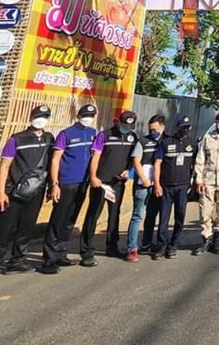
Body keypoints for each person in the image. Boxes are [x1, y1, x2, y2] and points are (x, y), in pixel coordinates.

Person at [0, 105, 55, 286]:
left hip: (36, 192)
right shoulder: (17, 139)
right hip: (14, 192)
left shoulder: (49, 138)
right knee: (3, 231)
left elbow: (51, 164)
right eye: (38, 116)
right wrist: (0, 193)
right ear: (31, 117)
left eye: (45, 117)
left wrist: (52, 186)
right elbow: (4, 167)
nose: (41, 120)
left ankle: (18, 260)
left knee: (26, 228)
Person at [39, 104, 100, 274]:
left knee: (70, 220)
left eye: (91, 115)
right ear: (78, 115)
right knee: (58, 220)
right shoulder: (66, 134)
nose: (88, 118)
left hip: (83, 183)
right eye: (85, 115)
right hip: (66, 182)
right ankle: (49, 259)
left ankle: (61, 253)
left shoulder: (93, 133)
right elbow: (55, 159)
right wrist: (55, 184)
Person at [81, 110, 138, 264]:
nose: (127, 128)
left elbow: (133, 158)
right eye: (124, 124)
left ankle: (112, 246)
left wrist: (128, 170)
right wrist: (93, 176)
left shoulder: (132, 137)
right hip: (101, 182)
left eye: (130, 125)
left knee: (114, 215)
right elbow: (95, 157)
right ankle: (86, 250)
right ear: (117, 122)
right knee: (93, 214)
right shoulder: (104, 135)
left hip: (118, 183)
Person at [153, 116, 197, 259]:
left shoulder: (192, 143)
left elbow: (196, 164)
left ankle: (173, 245)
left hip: (183, 186)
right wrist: (157, 184)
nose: (185, 130)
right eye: (183, 128)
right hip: (166, 186)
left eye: (187, 128)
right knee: (164, 218)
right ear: (177, 128)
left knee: (180, 216)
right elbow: (157, 163)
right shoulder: (166, 142)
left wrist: (194, 182)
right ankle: (161, 246)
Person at [191, 109, 219, 256]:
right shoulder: (208, 138)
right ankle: (206, 240)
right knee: (205, 212)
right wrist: (198, 179)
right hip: (208, 180)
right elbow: (200, 159)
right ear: (216, 122)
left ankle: (218, 241)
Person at [126, 115, 165, 261]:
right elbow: (136, 161)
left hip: (158, 185)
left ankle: (147, 243)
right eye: (151, 129)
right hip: (143, 184)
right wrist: (144, 179)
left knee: (152, 215)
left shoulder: (167, 140)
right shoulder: (142, 141)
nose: (152, 132)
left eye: (155, 129)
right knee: (138, 215)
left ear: (162, 127)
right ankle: (132, 248)